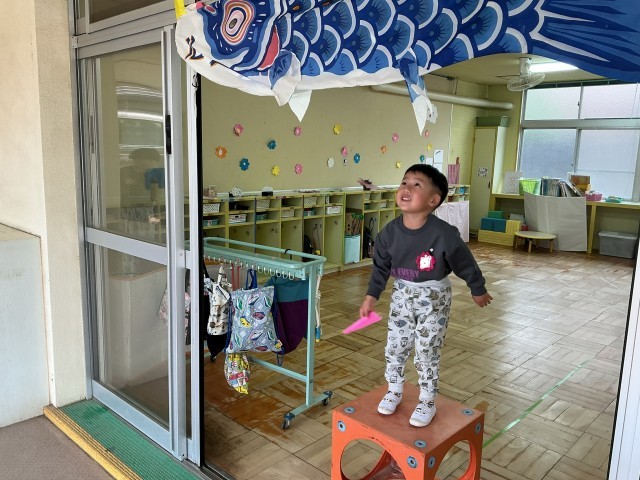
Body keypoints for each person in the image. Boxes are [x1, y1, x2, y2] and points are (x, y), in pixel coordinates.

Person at [359, 164, 492, 427]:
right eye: (404, 182)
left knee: (426, 349)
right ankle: (394, 389)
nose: (406, 188)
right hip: (402, 294)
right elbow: (381, 267)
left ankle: (428, 400)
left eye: (416, 184)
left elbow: (465, 263)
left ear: (433, 200)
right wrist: (371, 296)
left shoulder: (444, 234)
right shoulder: (389, 233)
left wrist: (478, 289)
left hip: (434, 297)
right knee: (395, 345)